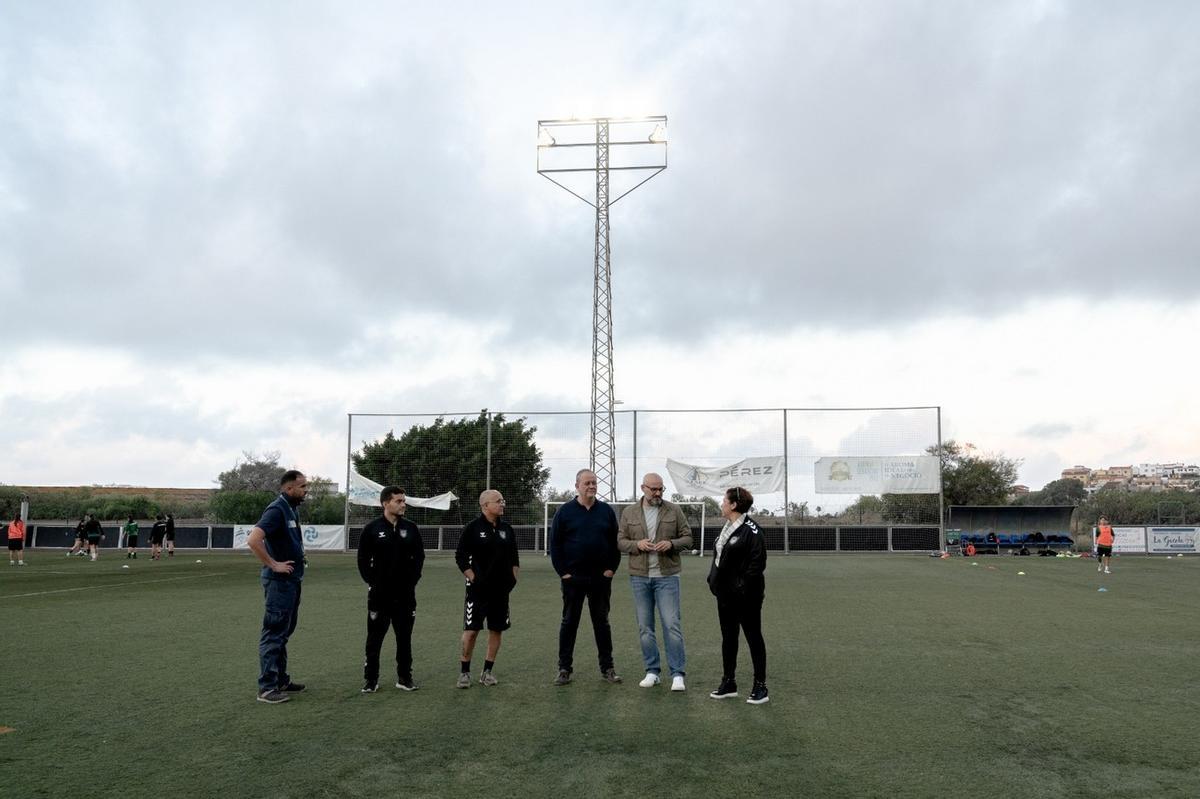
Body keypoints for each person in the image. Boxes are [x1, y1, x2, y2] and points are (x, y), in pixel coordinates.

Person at [617, 472, 692, 691]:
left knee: (671, 625)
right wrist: (636, 545)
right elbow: (620, 541)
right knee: (645, 628)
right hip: (639, 578)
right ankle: (652, 671)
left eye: (661, 489)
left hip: (667, 577)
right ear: (643, 488)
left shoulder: (674, 510)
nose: (658, 493)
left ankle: (677, 674)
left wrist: (671, 543)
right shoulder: (629, 512)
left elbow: (688, 538)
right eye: (654, 489)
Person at [549, 468, 622, 686]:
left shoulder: (606, 511)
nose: (591, 486)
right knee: (569, 623)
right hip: (573, 580)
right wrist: (564, 573)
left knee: (602, 623)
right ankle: (564, 669)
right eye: (587, 483)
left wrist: (611, 569)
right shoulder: (565, 512)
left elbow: (615, 544)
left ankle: (607, 668)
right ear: (577, 485)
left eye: (594, 483)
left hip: (600, 579)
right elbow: (555, 545)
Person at [246, 470, 310, 704]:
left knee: (283, 632)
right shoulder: (276, 509)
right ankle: (267, 688)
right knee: (274, 633)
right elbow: (253, 539)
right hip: (279, 584)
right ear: (289, 488)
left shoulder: (291, 508)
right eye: (303, 487)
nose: (306, 491)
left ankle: (281, 680)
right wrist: (273, 564)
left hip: (292, 582)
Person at [357, 486, 425, 693]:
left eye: (404, 501)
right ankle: (371, 680)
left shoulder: (411, 528)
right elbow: (362, 560)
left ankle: (404, 678)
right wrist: (374, 582)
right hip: (380, 595)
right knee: (374, 639)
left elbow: (419, 558)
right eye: (398, 501)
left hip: (405, 595)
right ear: (385, 503)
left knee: (404, 638)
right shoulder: (371, 529)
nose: (403, 504)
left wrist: (412, 580)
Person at [707, 486, 769, 705]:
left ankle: (760, 686)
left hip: (746, 598)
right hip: (725, 597)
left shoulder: (752, 531)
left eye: (725, 500)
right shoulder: (727, 527)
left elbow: (756, 565)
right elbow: (720, 557)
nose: (722, 503)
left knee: (753, 638)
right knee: (729, 639)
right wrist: (712, 580)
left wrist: (740, 589)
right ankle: (729, 682)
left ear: (734, 505)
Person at [455, 489, 520, 688]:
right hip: (477, 591)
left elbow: (514, 558)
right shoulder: (473, 528)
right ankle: (464, 673)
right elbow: (460, 557)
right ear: (485, 506)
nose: (502, 504)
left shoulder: (506, 529)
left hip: (501, 591)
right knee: (472, 630)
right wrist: (474, 578)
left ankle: (487, 672)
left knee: (496, 629)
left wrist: (512, 580)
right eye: (498, 501)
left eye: (503, 500)